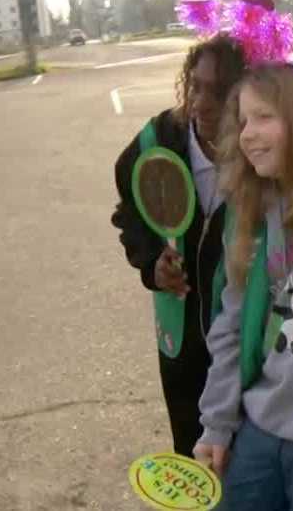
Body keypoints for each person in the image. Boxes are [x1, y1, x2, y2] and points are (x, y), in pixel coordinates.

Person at [194, 62, 293, 511]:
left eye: (265, 117)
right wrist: (217, 423)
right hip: (257, 428)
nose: (247, 134)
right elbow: (230, 326)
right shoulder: (249, 211)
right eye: (243, 121)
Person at [111, 33, 248, 457]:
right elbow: (130, 212)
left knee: (242, 456)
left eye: (220, 92)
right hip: (182, 337)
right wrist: (152, 263)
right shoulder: (160, 140)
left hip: (249, 334)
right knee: (192, 453)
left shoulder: (262, 151)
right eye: (195, 85)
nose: (202, 102)